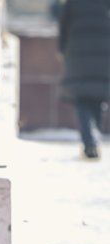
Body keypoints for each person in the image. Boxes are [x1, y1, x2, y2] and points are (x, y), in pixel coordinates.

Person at [58, 0, 110, 159]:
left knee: (81, 99)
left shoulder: (72, 3)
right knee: (98, 97)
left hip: (78, 52)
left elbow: (64, 27)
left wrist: (62, 49)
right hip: (103, 51)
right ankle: (93, 137)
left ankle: (89, 140)